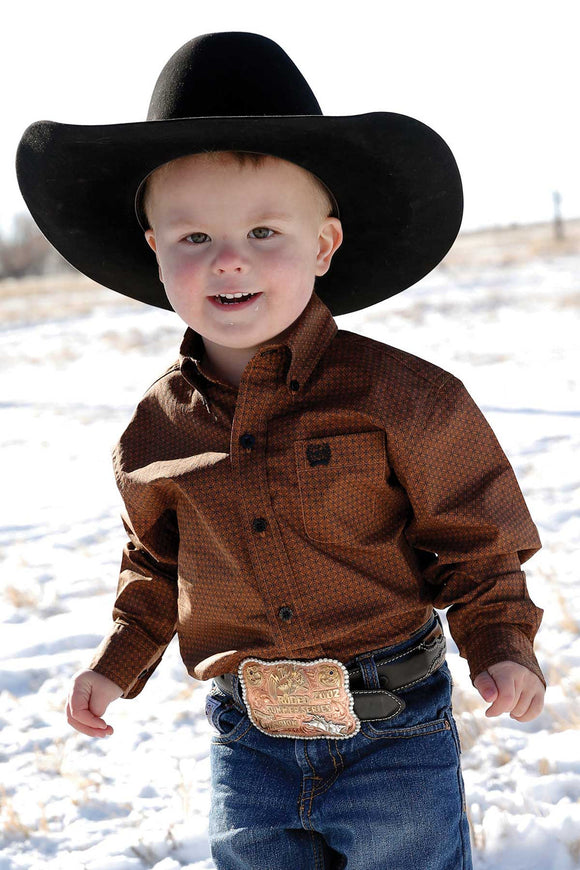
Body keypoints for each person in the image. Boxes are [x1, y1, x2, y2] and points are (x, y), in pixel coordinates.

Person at [17, 31, 546, 870]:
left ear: (325, 244)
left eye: (265, 231)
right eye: (193, 239)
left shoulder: (404, 398)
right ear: (155, 252)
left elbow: (477, 541)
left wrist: (502, 645)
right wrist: (117, 664)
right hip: (246, 741)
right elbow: (156, 565)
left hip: (393, 734)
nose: (229, 259)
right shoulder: (155, 430)